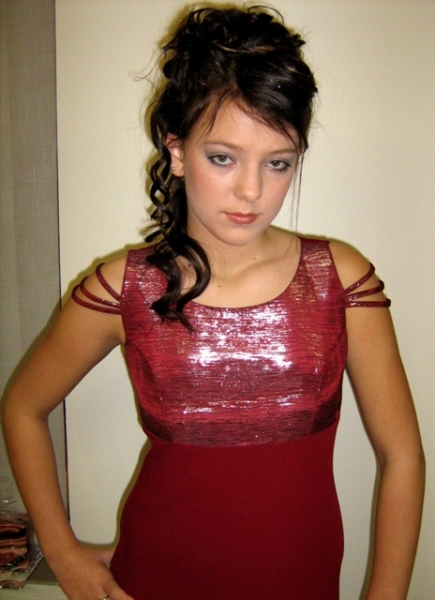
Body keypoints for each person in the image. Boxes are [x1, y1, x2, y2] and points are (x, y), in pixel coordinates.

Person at [2, 5, 424, 600]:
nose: (251, 191)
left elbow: (403, 455)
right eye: (223, 157)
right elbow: (23, 407)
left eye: (278, 163)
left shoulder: (339, 280)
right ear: (176, 151)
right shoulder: (127, 286)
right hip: (152, 580)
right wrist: (63, 551)